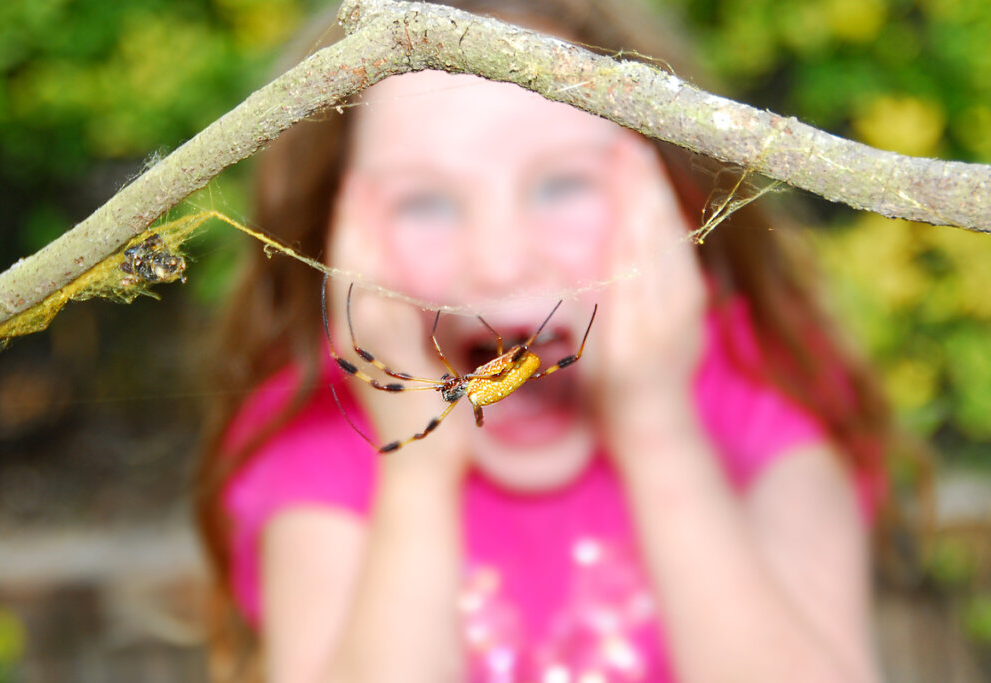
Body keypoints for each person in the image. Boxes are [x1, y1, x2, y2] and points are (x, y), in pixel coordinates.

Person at [196, 1, 892, 681]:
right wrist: (417, 474)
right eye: (425, 201)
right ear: (333, 239)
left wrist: (658, 430)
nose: (499, 264)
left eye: (562, 185)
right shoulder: (321, 435)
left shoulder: (765, 387)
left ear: (674, 199)